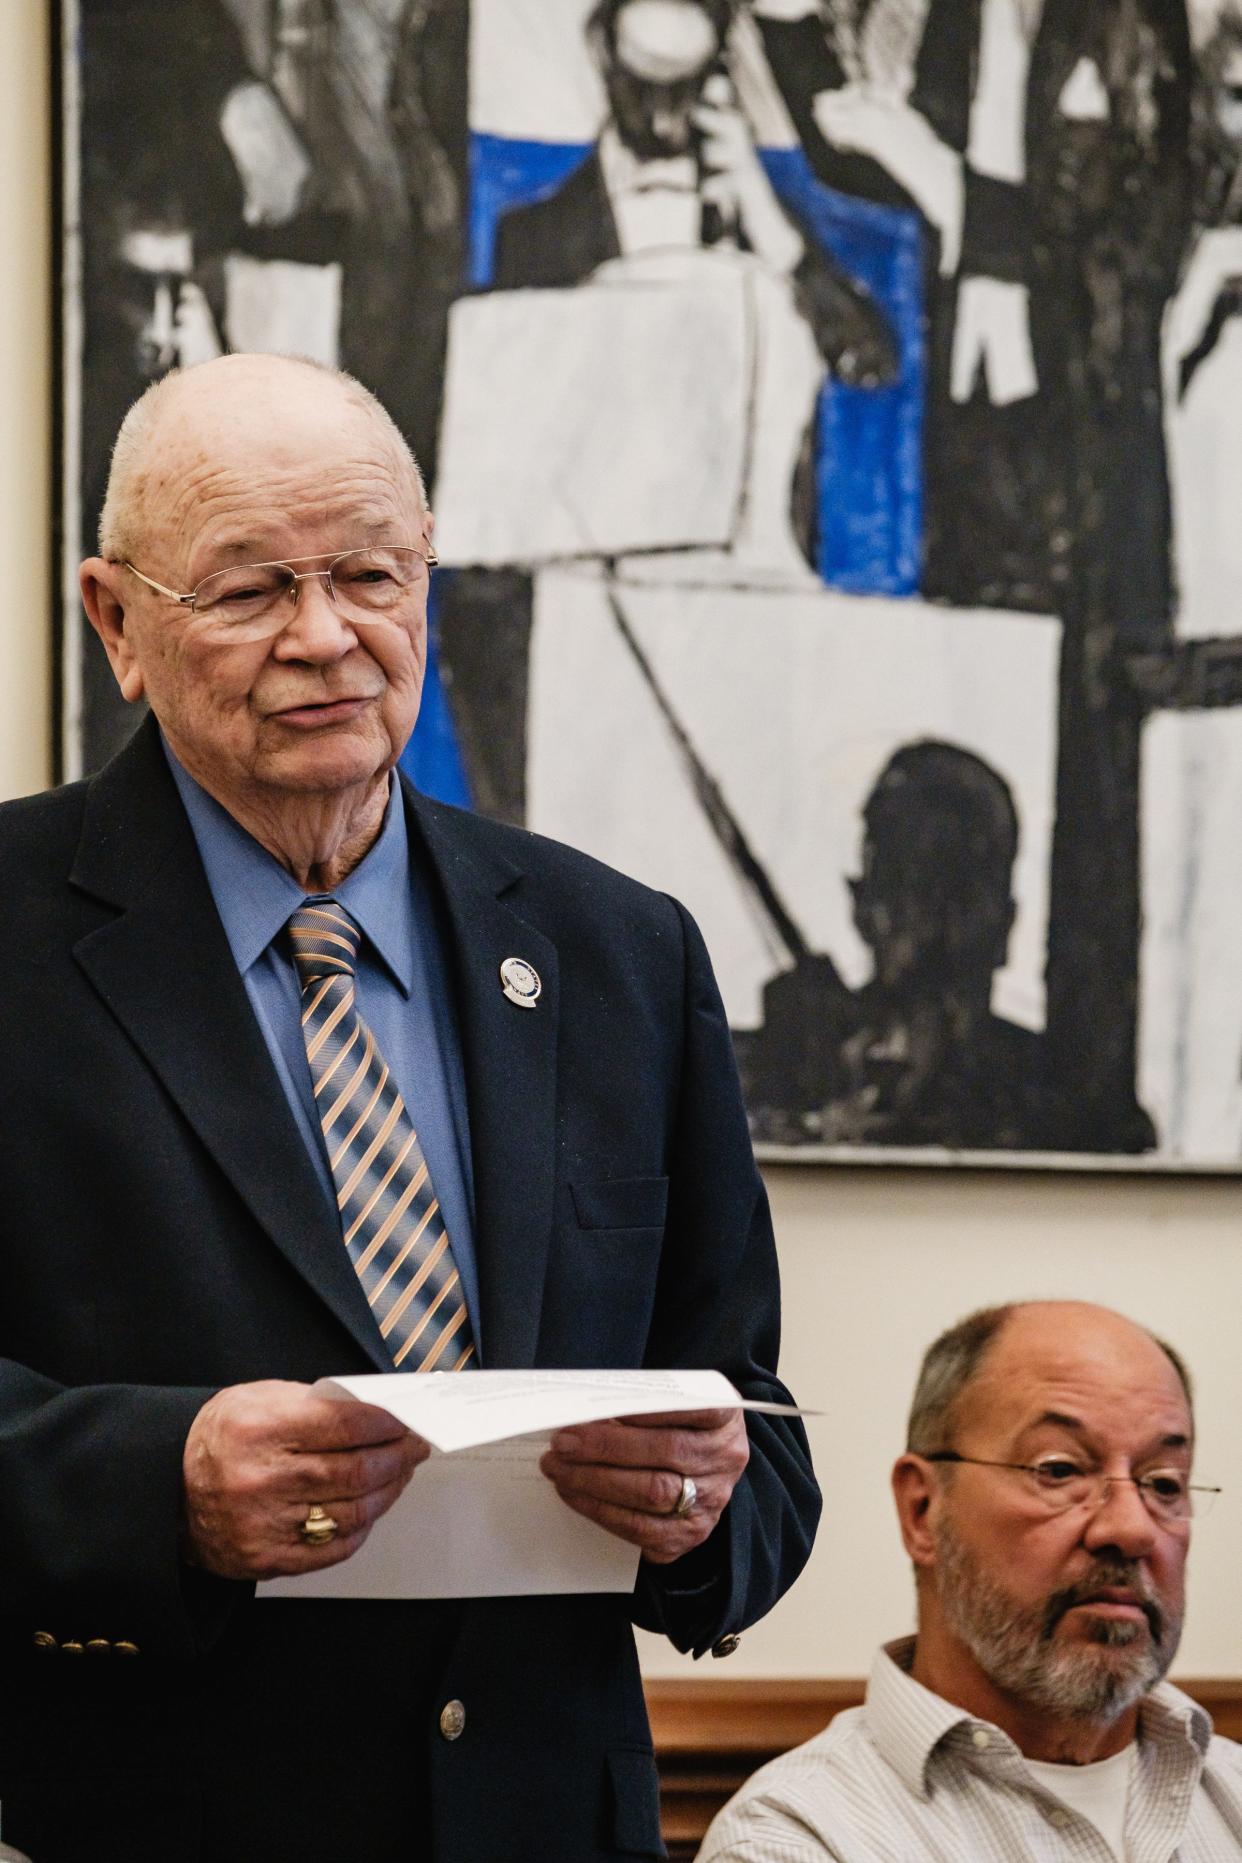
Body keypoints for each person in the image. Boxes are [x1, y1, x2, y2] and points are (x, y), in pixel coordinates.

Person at [0, 351, 819, 1863]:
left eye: (371, 573)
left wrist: (701, 1502)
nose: (328, 639)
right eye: (248, 590)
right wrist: (158, 1481)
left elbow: (762, 1452)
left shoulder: (619, 952)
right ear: (117, 620)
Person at [700, 1299, 1240, 1862]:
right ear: (923, 1509)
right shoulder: (796, 1837)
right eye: (1060, 1470)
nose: (1132, 1529)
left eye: (1164, 1483)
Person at [743, 739, 1076, 1152]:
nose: (933, 924)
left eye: (960, 892)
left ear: (1004, 924)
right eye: (908, 887)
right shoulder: (776, 1067)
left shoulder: (1056, 1099)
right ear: (863, 908)